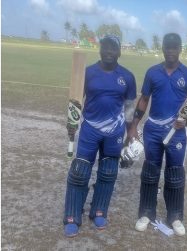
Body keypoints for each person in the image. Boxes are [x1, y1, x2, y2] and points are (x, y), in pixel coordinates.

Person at [63, 35, 137, 237]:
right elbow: (76, 101)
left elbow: (130, 108)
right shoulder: (88, 73)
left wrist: (131, 131)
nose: (109, 52)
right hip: (90, 129)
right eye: (106, 47)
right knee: (80, 172)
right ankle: (72, 215)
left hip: (115, 131)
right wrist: (72, 123)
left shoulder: (127, 77)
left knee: (108, 172)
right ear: (100, 49)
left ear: (120, 51)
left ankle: (99, 211)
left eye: (114, 48)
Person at [126, 33, 187, 236]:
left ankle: (175, 216)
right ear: (163, 48)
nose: (171, 51)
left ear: (180, 49)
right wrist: (134, 125)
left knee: (175, 174)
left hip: (177, 132)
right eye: (168, 47)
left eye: (175, 47)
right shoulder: (153, 73)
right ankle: (146, 212)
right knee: (150, 172)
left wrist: (186, 119)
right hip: (154, 130)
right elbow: (144, 99)